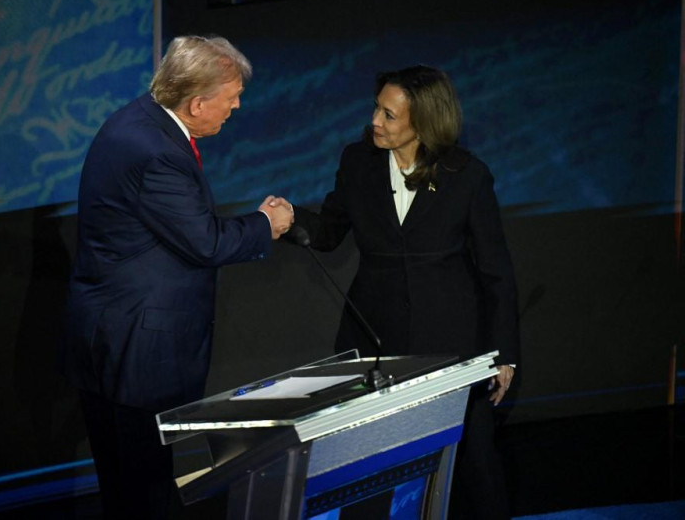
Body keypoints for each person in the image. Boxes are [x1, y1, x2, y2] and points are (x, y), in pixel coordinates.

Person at [59, 35, 294, 519]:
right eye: (230, 99)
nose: (236, 106)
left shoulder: (138, 120)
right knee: (144, 492)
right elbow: (204, 242)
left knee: (126, 485)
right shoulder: (156, 152)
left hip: (114, 338)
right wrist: (264, 224)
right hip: (140, 352)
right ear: (196, 102)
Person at [289, 65, 519, 520]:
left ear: (423, 122)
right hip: (376, 340)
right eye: (377, 108)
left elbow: (496, 272)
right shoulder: (358, 162)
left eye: (389, 115)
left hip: (453, 346)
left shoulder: (468, 175)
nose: (376, 120)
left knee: (474, 464)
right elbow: (330, 229)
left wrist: (505, 355)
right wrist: (287, 220)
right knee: (370, 465)